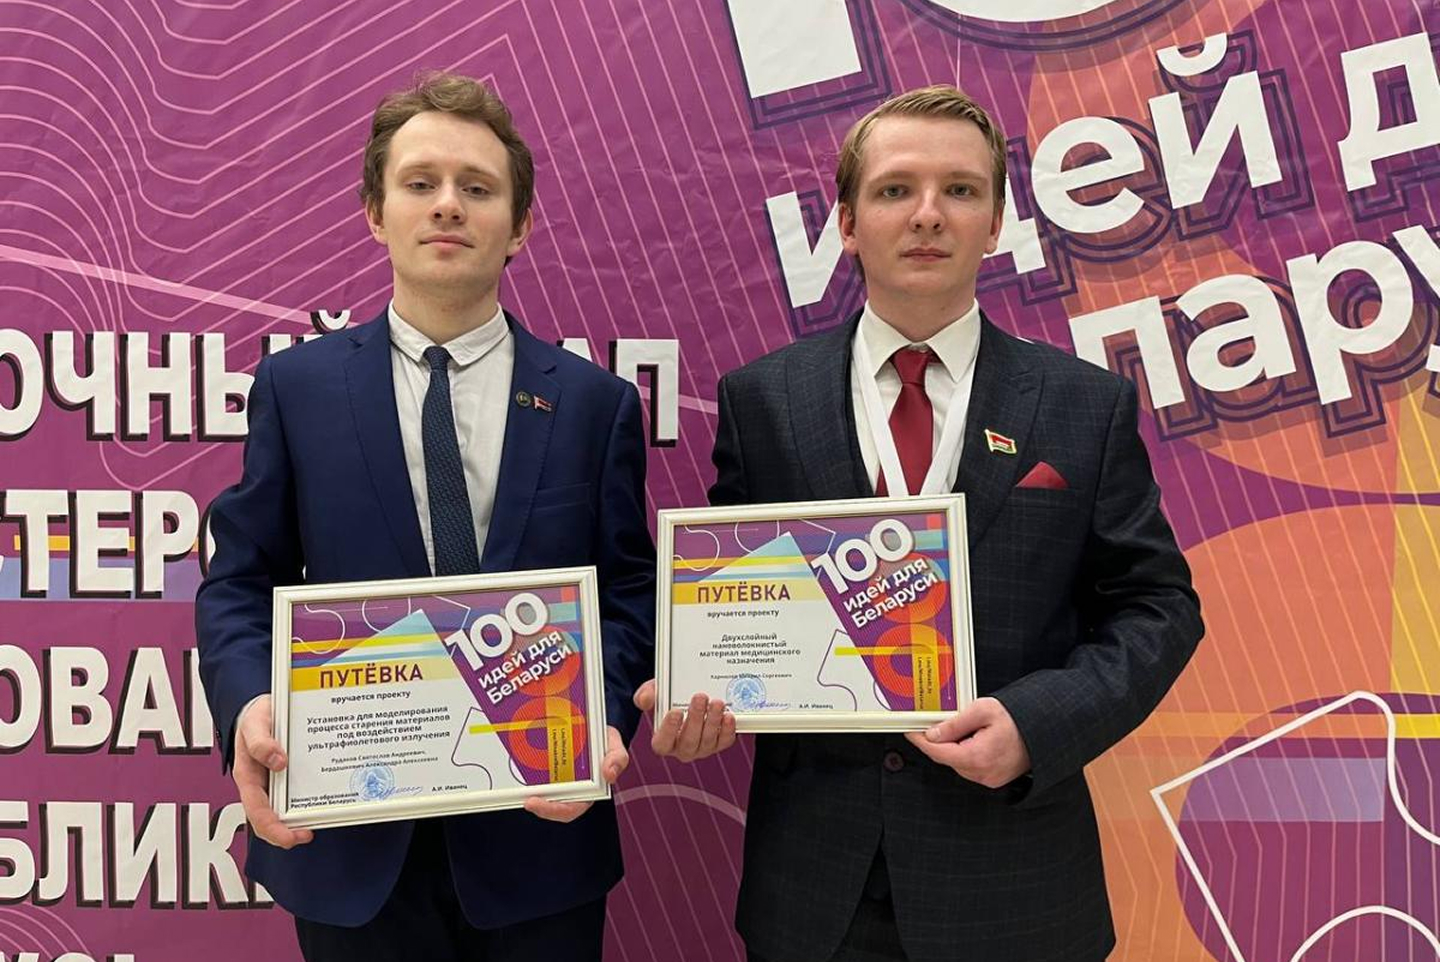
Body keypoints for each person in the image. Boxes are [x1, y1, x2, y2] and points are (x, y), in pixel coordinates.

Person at [635, 85, 1204, 962]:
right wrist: (695, 694)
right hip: (816, 892)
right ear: (847, 223)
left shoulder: (1082, 405)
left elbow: (1159, 606)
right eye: (896, 189)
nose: (928, 214)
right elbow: (731, 602)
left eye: (960, 190)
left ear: (997, 222)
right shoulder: (763, 400)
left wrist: (1037, 724)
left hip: (1016, 889)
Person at [195, 72, 656, 962]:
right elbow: (241, 582)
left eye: (477, 188)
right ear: (377, 213)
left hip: (537, 847)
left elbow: (627, 594)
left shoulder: (594, 405)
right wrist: (249, 702)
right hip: (349, 844)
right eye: (420, 183)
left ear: (518, 225)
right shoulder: (296, 389)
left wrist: (598, 717)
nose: (448, 205)